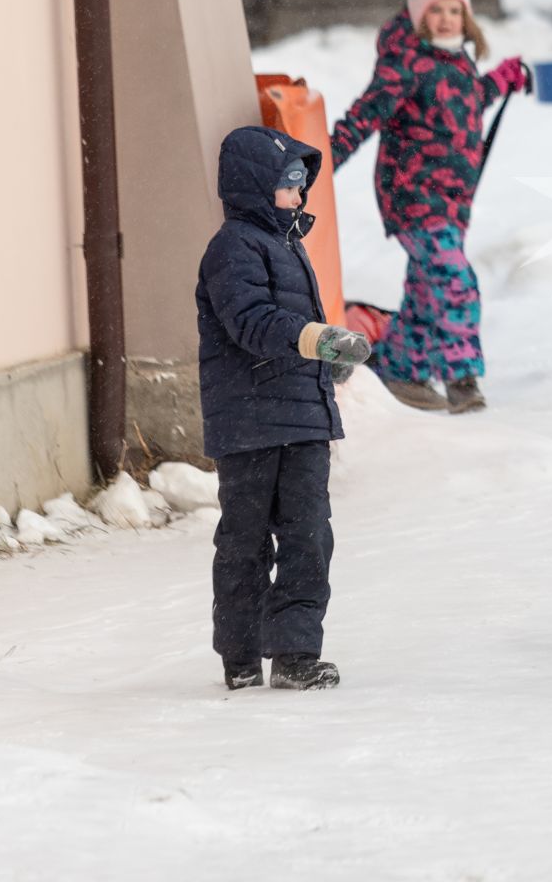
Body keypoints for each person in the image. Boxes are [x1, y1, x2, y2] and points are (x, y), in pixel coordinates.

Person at [197, 126, 373, 690]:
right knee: (245, 541)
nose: (299, 197)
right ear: (254, 186)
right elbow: (251, 322)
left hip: (299, 420)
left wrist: (327, 363)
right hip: (248, 424)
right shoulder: (233, 248)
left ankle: (296, 653)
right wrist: (317, 339)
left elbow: (289, 328)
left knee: (308, 536)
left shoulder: (286, 245)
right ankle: (242, 655)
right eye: (288, 186)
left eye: (301, 186)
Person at [330, 0, 529, 413]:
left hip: (452, 202)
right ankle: (461, 378)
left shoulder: (455, 61)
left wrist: (501, 79)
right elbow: (365, 114)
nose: (445, 19)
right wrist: (323, 159)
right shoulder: (405, 64)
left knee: (427, 289)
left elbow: (469, 101)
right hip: (413, 199)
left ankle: (402, 370)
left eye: (454, 10)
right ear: (418, 14)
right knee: (454, 281)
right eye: (435, 10)